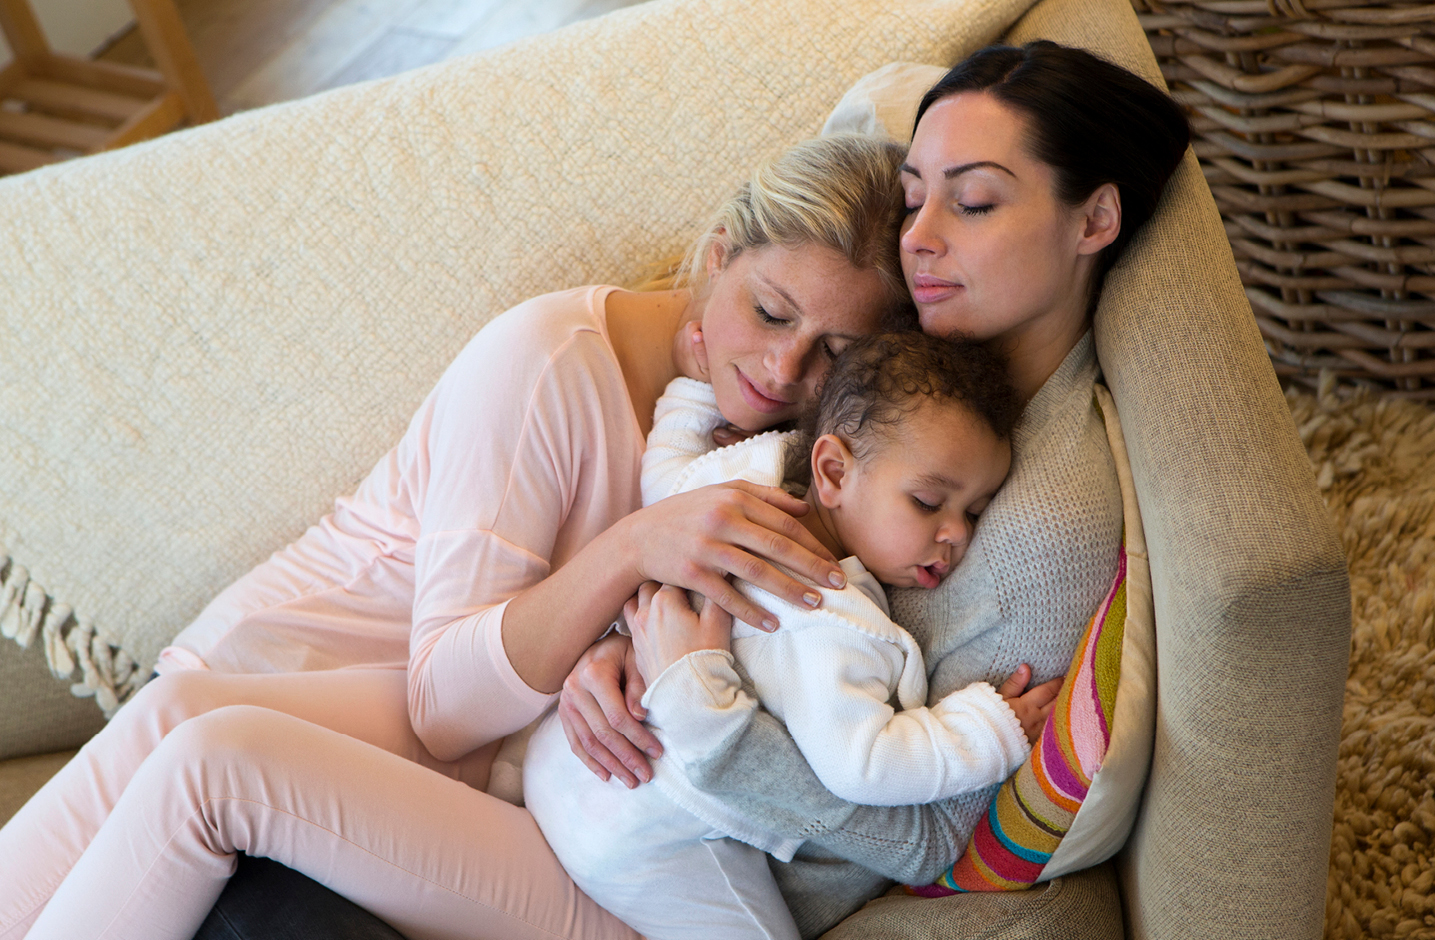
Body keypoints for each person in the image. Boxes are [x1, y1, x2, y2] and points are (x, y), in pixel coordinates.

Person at [0, 133, 913, 940]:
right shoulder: (549, 364)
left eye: (835, 352)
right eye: (769, 311)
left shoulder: (798, 459)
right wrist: (631, 553)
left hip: (552, 830)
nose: (784, 367)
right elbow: (446, 703)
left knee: (200, 745)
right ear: (718, 257)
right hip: (328, 701)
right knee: (180, 718)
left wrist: (622, 602)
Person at [560, 41, 1192, 938]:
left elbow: (926, 828)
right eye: (914, 197)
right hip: (605, 764)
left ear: (1093, 222)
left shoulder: (1035, 535)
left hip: (691, 869)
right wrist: (619, 637)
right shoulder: (903, 360)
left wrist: (695, 706)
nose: (919, 238)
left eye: (972, 202)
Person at [523, 331, 1062, 940]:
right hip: (647, 835)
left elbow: (666, 480)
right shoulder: (831, 620)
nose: (955, 535)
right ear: (832, 471)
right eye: (927, 502)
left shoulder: (737, 482)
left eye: (974, 512)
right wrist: (991, 731)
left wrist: (693, 395)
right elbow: (864, 765)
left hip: (557, 758)